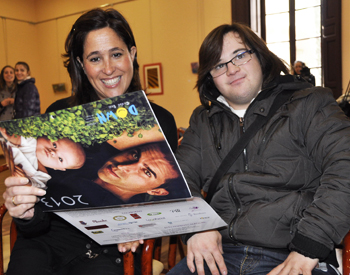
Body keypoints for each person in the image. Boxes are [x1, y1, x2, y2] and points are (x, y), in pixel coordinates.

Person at [3, 8, 178, 275]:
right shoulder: (59, 114)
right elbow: (38, 217)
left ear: (132, 54)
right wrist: (23, 210)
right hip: (47, 240)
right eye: (95, 58)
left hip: (109, 247)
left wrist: (140, 226)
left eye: (116, 54)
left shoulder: (159, 120)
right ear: (82, 65)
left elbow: (165, 202)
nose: (108, 68)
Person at [168, 23, 350, 275]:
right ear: (210, 77)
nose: (232, 69)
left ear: (260, 56)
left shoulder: (310, 104)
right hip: (220, 255)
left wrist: (310, 246)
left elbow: (345, 167)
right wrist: (198, 225)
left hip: (293, 252)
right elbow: (176, 179)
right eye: (219, 65)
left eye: (240, 55)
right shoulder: (203, 120)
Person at [44, 141, 189, 210]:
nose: (122, 166)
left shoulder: (125, 213)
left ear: (156, 191)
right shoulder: (79, 158)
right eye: (134, 154)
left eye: (147, 172)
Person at [0, 128, 86, 189]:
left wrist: (26, 182)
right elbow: (18, 139)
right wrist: (9, 136)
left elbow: (37, 187)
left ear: (58, 168)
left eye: (60, 159)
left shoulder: (43, 175)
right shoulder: (32, 142)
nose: (53, 152)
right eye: (54, 145)